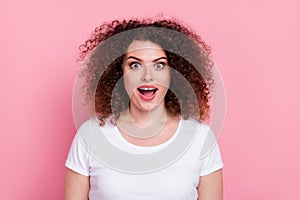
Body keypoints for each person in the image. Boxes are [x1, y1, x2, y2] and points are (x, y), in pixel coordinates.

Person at [64, 17, 224, 200]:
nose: (147, 76)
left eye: (159, 65)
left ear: (173, 73)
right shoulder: (90, 135)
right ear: (119, 72)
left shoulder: (201, 138)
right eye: (135, 65)